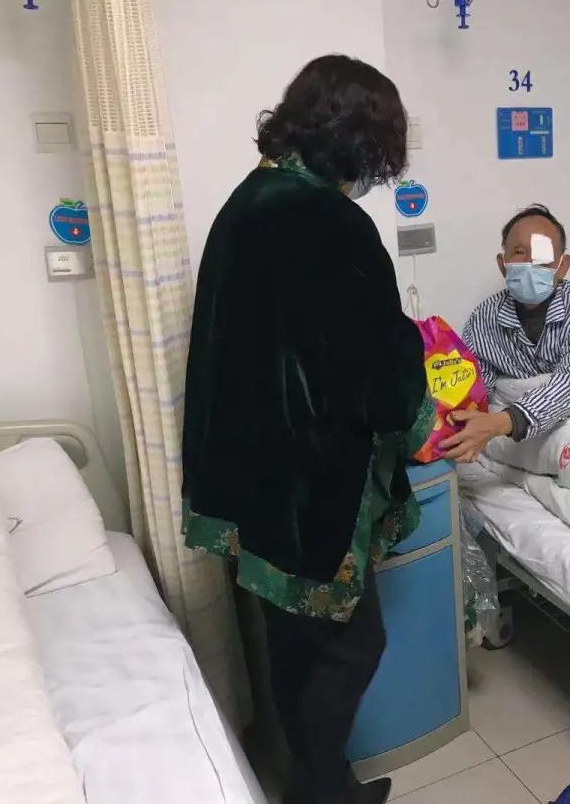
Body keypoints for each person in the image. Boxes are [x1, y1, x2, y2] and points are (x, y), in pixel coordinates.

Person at [181, 55, 432, 804]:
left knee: (293, 646)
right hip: (307, 486)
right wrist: (419, 406)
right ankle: (318, 794)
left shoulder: (247, 201)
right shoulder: (329, 221)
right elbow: (378, 368)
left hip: (250, 474)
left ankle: (328, 784)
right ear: (357, 139)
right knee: (353, 647)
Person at [444, 204, 570, 462]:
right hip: (522, 434)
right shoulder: (484, 318)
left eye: (542, 254)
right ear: (502, 264)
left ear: (563, 266)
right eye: (519, 252)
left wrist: (505, 421)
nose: (530, 263)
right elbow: (474, 388)